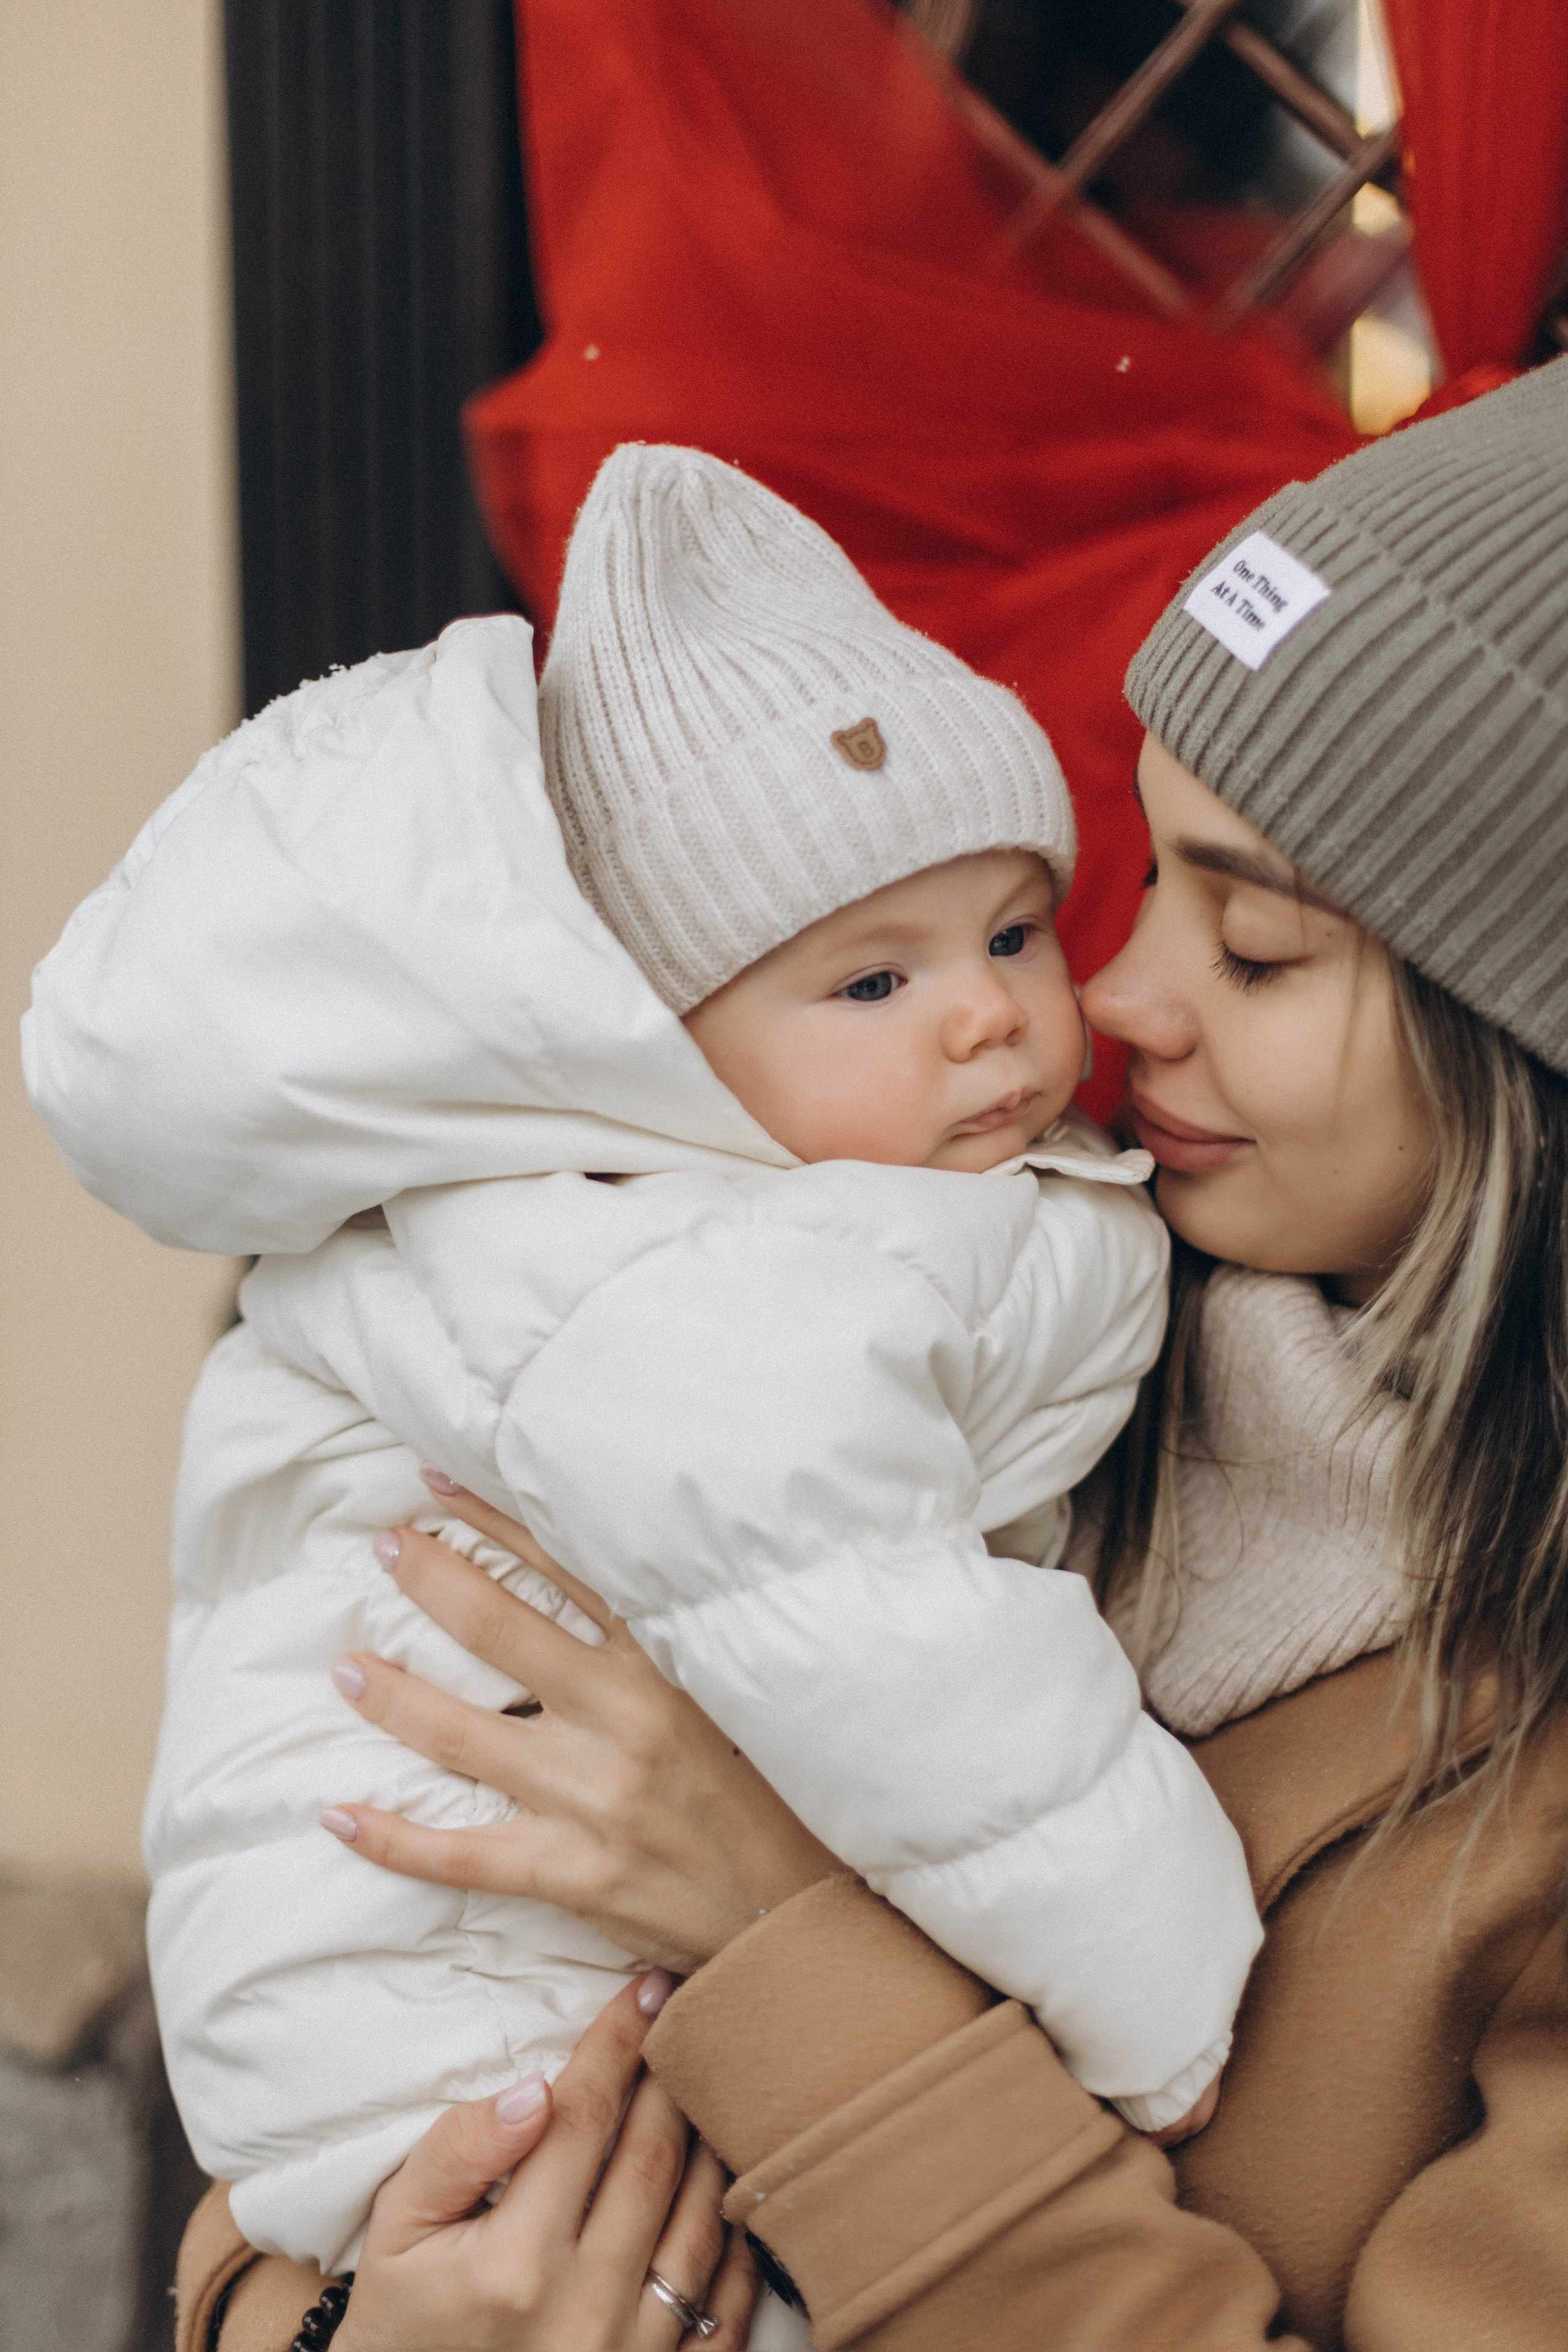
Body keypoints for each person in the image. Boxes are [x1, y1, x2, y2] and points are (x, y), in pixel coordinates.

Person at [170, 356, 1568, 2351]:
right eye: (1138, 876)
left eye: (1258, 952)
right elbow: (354, 1898)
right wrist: (328, 2315)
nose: (1113, 992)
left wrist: (788, 1949)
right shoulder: (983, 1288)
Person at [26, 450, 1261, 2315]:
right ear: (662, 1065)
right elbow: (898, 1659)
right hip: (460, 2027)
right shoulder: (685, 1282)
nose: (992, 1011)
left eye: (1014, 931)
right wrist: (1159, 1985)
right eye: (869, 982)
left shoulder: (836, 1222)